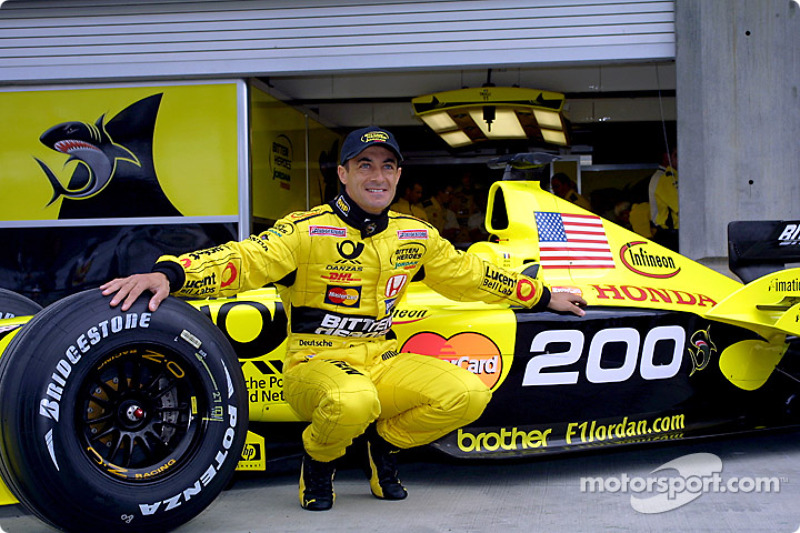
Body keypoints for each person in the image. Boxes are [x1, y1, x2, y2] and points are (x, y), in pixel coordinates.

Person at [100, 126, 587, 512]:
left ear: (398, 175)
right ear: (344, 173)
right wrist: (172, 273)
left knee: (468, 393)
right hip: (314, 363)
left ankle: (384, 447)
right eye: (365, 165)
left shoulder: (415, 235)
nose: (379, 176)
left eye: (388, 166)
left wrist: (545, 296)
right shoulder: (306, 231)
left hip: (383, 359)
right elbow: (244, 261)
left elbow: (469, 276)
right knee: (353, 400)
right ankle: (318, 464)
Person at [648, 147, 679, 251]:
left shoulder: (671, 176)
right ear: (667, 157)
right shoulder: (664, 177)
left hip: (670, 235)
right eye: (676, 155)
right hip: (669, 235)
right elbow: (681, 207)